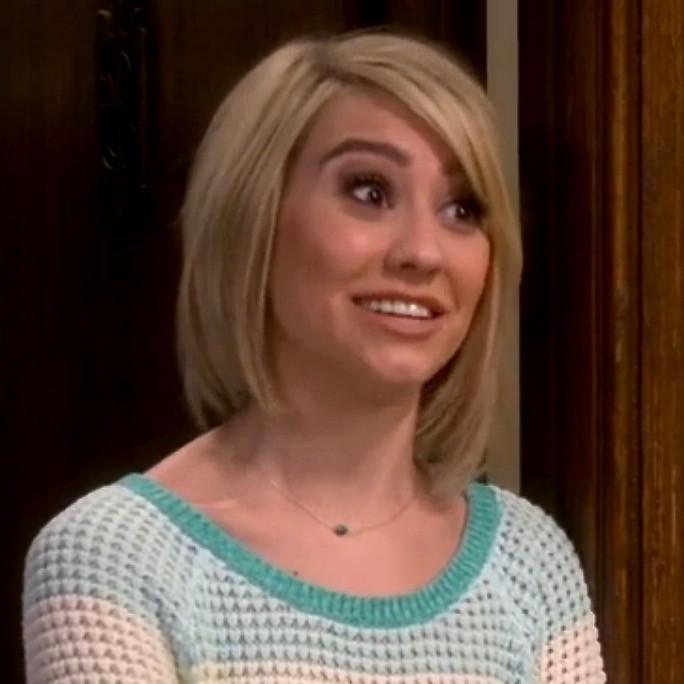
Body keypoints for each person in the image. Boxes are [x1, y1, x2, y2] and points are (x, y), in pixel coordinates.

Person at [23, 31, 606, 683]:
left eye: (462, 208)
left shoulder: (529, 562)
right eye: (369, 191)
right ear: (256, 217)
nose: (423, 252)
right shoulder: (114, 556)